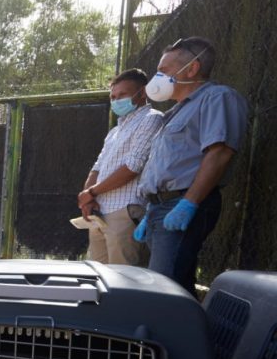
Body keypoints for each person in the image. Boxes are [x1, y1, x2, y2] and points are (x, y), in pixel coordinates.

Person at [133, 36, 249, 294]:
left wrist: (190, 203)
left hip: (183, 203)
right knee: (178, 288)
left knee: (162, 291)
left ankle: (162, 335)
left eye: (163, 70)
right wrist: (152, 208)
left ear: (192, 68)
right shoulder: (175, 112)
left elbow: (219, 153)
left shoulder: (218, 98)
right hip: (160, 208)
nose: (157, 77)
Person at [76, 68, 163, 265]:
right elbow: (97, 166)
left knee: (122, 278)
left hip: (124, 211)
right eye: (113, 96)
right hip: (99, 212)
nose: (116, 101)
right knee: (97, 275)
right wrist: (88, 198)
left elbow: (133, 166)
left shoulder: (152, 119)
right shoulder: (115, 130)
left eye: (122, 95)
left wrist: (91, 191)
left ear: (142, 92)